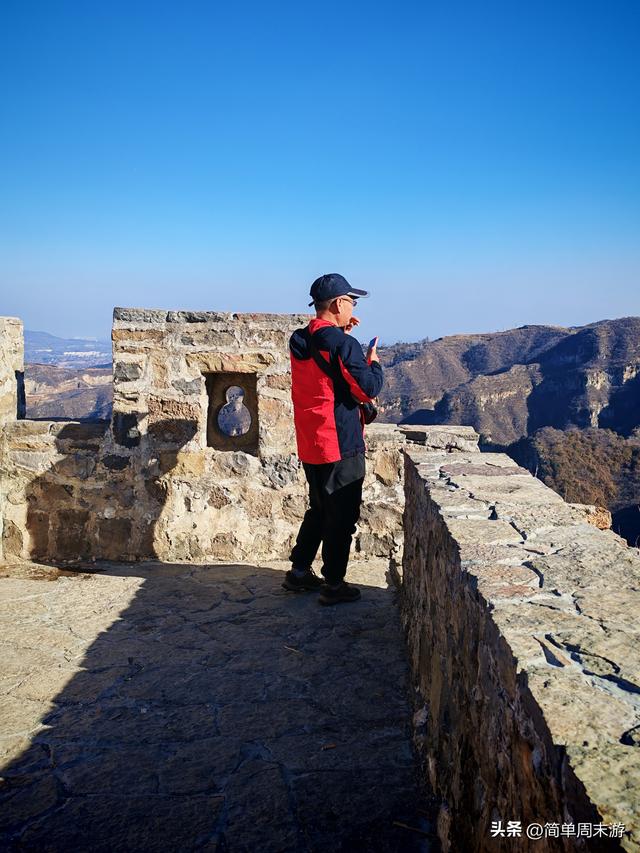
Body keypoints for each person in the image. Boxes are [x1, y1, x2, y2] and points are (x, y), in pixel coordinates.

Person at [283, 273, 383, 605]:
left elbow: (323, 358)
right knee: (341, 515)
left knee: (319, 507)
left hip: (311, 439)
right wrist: (374, 364)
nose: (353, 306)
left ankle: (299, 572)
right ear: (339, 303)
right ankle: (334, 584)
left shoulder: (300, 339)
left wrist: (341, 334)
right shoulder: (343, 345)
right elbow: (365, 388)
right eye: (351, 301)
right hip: (340, 441)